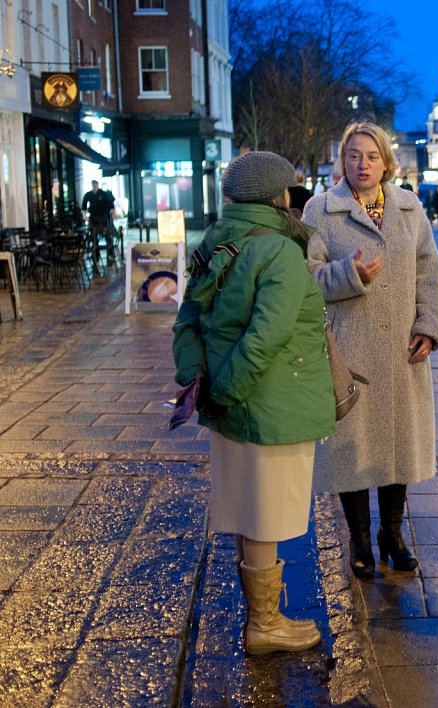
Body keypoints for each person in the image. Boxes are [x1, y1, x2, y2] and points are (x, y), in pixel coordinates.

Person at [172, 151, 333, 655]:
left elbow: (187, 322)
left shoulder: (215, 241)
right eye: (292, 190)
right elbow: (265, 338)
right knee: (266, 515)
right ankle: (265, 624)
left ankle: (263, 616)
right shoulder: (281, 253)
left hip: (231, 405)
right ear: (277, 196)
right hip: (272, 405)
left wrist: (200, 381)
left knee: (248, 511)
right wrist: (225, 392)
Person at [303, 123, 438, 580]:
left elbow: (429, 271)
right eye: (352, 156)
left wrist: (429, 325)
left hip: (404, 350)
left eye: (370, 156)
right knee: (352, 449)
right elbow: (306, 278)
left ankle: (392, 533)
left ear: (387, 161)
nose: (361, 164)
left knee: (397, 446)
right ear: (341, 161)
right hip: (351, 351)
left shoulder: (409, 207)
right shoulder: (320, 210)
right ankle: (360, 538)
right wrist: (350, 274)